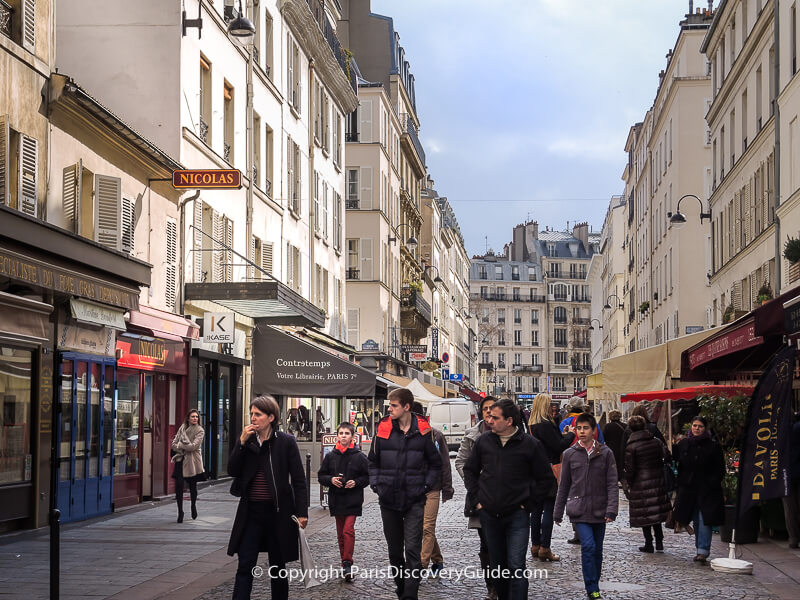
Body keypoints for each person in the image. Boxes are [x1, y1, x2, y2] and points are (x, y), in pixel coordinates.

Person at [464, 399, 555, 600]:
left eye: (495, 417)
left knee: (516, 565)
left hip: (517, 516)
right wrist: (477, 500)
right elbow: (469, 470)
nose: (489, 421)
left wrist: (528, 504)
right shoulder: (483, 441)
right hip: (490, 514)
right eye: (488, 416)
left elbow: (545, 479)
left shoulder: (530, 445)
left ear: (509, 421)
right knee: (498, 568)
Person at [227, 395, 308, 600]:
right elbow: (232, 470)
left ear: (271, 417)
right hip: (250, 513)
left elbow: (298, 479)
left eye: (258, 414)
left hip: (278, 514)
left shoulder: (286, 442)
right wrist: (241, 443)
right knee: (245, 564)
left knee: (277, 568)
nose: (253, 418)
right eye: (251, 414)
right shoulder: (247, 441)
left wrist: (302, 512)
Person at [368, 388, 442, 600]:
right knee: (394, 553)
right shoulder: (383, 429)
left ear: (406, 407)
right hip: (388, 499)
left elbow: (435, 464)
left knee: (412, 550)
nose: (389, 409)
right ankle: (401, 590)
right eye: (389, 405)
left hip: (414, 500)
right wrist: (376, 484)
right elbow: (372, 461)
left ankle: (410, 595)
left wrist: (425, 486)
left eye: (394, 406)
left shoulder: (423, 431)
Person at [554, 412, 618, 600]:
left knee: (597, 550)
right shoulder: (569, 454)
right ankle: (592, 588)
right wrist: (558, 512)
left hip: (600, 509)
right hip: (579, 509)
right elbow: (564, 484)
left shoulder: (606, 453)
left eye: (585, 428)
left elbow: (612, 483)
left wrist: (612, 509)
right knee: (588, 546)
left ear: (593, 430)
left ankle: (595, 583)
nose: (581, 432)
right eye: (579, 428)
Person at [455, 395, 498, 600]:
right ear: (481, 412)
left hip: (506, 498)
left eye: (492, 408)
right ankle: (492, 586)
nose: (489, 412)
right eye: (485, 408)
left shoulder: (509, 432)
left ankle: (505, 582)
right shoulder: (472, 435)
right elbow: (461, 462)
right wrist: (474, 484)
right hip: (480, 497)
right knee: (487, 544)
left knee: (505, 544)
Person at [317, 421, 369, 580]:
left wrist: (357, 482)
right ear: (337, 436)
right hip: (336, 499)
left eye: (347, 434)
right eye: (341, 433)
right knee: (340, 534)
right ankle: (344, 563)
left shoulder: (360, 456)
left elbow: (368, 476)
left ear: (353, 437)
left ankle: (348, 561)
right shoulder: (331, 456)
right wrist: (331, 480)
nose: (344, 436)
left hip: (353, 499)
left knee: (348, 530)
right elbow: (321, 476)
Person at [527, 392, 575, 562]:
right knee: (548, 508)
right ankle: (545, 547)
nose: (552, 407)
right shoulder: (545, 424)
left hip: (535, 470)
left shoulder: (532, 424)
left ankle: (535, 544)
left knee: (536, 510)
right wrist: (570, 434)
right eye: (549, 404)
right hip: (550, 470)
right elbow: (558, 446)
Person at [672, 415, 725, 564]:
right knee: (695, 520)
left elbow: (720, 468)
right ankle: (699, 549)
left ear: (705, 428)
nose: (697, 428)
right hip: (689, 489)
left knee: (704, 519)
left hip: (707, 489)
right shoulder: (684, 444)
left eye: (700, 426)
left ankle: (703, 551)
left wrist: (712, 482)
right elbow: (680, 465)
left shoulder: (713, 446)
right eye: (695, 425)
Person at [410, 402, 454, 577]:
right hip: (413, 490)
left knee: (428, 527)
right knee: (421, 527)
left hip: (432, 488)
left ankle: (421, 565)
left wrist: (447, 488)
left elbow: (445, 463)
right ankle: (437, 558)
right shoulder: (405, 436)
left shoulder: (435, 435)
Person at [623, 415, 671, 553]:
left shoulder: (631, 446)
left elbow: (630, 468)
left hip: (640, 482)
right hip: (657, 479)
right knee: (655, 512)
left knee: (645, 514)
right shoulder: (655, 441)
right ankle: (659, 541)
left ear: (630, 428)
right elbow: (667, 456)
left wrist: (630, 483)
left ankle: (649, 543)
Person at [171, 409, 205, 523]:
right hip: (181, 460)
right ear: (188, 418)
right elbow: (173, 444)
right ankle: (180, 511)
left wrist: (180, 445)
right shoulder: (182, 428)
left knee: (192, 486)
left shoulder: (200, 431)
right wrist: (181, 445)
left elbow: (193, 447)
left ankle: (193, 506)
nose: (195, 418)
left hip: (192, 462)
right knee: (179, 486)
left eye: (196, 417)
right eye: (193, 416)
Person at [783, 411, 800, 549]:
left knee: (790, 508)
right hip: (794, 471)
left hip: (785, 474)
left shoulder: (780, 429)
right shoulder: (796, 427)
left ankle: (793, 538)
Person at [602, 410, 625, 482]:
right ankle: (622, 477)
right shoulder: (625, 426)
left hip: (611, 448)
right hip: (622, 448)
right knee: (621, 464)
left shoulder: (607, 426)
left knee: (612, 464)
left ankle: (613, 478)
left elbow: (603, 438)